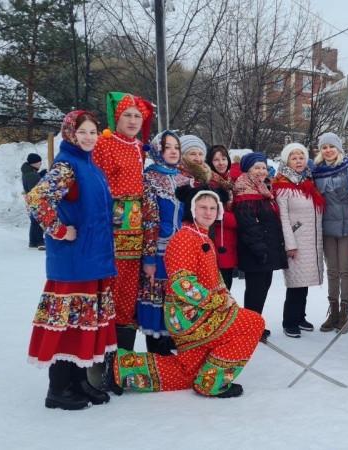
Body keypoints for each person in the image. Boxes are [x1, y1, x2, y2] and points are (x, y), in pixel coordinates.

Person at [107, 187, 265, 398]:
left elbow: (215, 280)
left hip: (199, 311)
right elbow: (182, 283)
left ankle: (122, 367)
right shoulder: (185, 237)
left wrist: (227, 299)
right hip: (188, 314)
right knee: (253, 322)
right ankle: (212, 383)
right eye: (202, 208)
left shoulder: (203, 237)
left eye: (212, 208)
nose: (208, 212)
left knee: (187, 372)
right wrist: (217, 302)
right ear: (192, 209)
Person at [26, 110, 117, 410]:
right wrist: (60, 230)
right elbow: (37, 200)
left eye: (93, 131)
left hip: (93, 259)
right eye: (83, 132)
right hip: (74, 263)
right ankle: (58, 389)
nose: (89, 137)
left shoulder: (91, 166)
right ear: (70, 134)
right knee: (68, 325)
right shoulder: (66, 167)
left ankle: (78, 382)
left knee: (84, 325)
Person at [91, 92, 154, 352]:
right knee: (108, 292)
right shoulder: (104, 144)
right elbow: (97, 188)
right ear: (116, 118)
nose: (132, 121)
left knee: (128, 294)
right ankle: (101, 359)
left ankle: (122, 359)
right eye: (127, 115)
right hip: (112, 230)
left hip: (136, 232)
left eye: (137, 116)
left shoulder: (139, 147)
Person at [138, 130, 193, 355]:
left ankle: (174, 340)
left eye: (176, 147)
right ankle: (157, 352)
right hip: (159, 251)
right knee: (157, 299)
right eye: (167, 147)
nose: (172, 151)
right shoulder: (150, 178)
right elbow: (149, 220)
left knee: (176, 297)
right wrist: (149, 258)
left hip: (181, 251)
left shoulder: (183, 178)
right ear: (158, 150)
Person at [273, 143, 325, 337]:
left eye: (301, 157)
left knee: (304, 282)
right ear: (287, 161)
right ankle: (289, 321)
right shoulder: (282, 186)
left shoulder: (308, 182)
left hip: (311, 240)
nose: (298, 161)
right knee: (295, 283)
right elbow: (284, 218)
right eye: (294, 158)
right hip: (296, 241)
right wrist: (290, 244)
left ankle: (300, 316)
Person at [233, 152, 287, 338]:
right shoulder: (244, 190)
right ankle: (250, 327)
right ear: (247, 170)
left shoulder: (262, 189)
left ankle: (254, 324)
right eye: (257, 167)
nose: (261, 171)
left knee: (263, 288)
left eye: (263, 167)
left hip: (266, 249)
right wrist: (260, 249)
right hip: (255, 252)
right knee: (255, 290)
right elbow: (248, 224)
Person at [312, 132, 348, 333]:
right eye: (324, 147)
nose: (328, 150)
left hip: (347, 227)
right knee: (332, 271)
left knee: (345, 270)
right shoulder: (316, 171)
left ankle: (345, 311)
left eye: (331, 146)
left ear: (338, 148)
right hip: (327, 227)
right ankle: (334, 312)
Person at [206, 145, 238, 289]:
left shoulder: (232, 183)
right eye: (216, 160)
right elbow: (216, 216)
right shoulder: (210, 184)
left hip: (231, 241)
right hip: (218, 240)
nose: (221, 163)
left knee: (227, 285)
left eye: (224, 158)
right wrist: (237, 220)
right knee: (220, 287)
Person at [22, 152, 46, 250]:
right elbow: (35, 188)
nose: (41, 163)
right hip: (35, 201)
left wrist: (42, 173)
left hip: (30, 200)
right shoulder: (31, 174)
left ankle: (32, 242)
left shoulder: (30, 172)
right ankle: (40, 242)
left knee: (34, 221)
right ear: (34, 163)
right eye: (39, 162)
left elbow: (36, 178)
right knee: (39, 220)